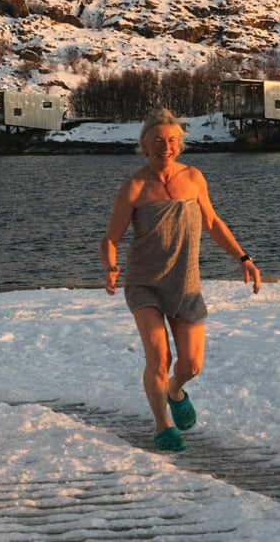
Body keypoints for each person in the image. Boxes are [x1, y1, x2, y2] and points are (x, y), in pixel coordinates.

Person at [100, 108, 261, 451]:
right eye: (158, 140)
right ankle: (162, 426)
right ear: (144, 145)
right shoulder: (134, 186)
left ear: (180, 144)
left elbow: (213, 223)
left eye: (172, 140)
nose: (165, 146)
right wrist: (110, 267)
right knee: (158, 358)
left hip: (185, 283)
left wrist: (243, 258)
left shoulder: (193, 178)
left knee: (191, 364)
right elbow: (110, 239)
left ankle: (175, 390)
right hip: (144, 282)